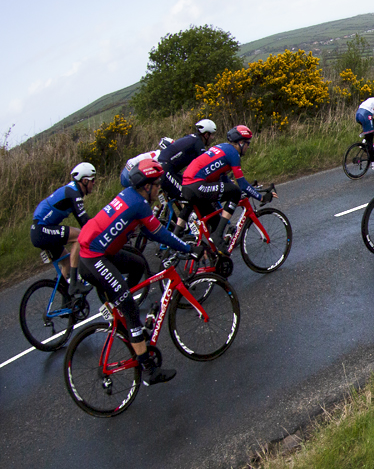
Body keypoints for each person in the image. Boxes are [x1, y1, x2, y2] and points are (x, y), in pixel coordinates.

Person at [78, 159, 200, 384]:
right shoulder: (139, 205)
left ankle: (127, 323)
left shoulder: (130, 195)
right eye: (157, 184)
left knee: (137, 264)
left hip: (98, 252)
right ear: (146, 186)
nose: (160, 188)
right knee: (131, 308)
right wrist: (188, 247)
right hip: (93, 258)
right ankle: (148, 370)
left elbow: (149, 232)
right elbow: (159, 233)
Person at [182, 125, 273, 251]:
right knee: (234, 192)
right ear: (240, 143)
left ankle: (217, 260)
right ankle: (218, 236)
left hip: (188, 185)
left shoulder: (222, 147)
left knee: (216, 221)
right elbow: (241, 184)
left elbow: (223, 178)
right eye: (247, 143)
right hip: (196, 185)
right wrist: (261, 197)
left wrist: (247, 191)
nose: (248, 147)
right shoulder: (233, 154)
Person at [32, 162, 97, 295]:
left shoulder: (72, 190)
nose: (94, 183)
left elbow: (83, 220)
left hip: (40, 230)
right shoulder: (73, 193)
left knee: (67, 263)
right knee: (79, 237)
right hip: (42, 229)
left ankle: (66, 301)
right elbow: (84, 221)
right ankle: (73, 283)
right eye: (92, 180)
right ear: (84, 180)